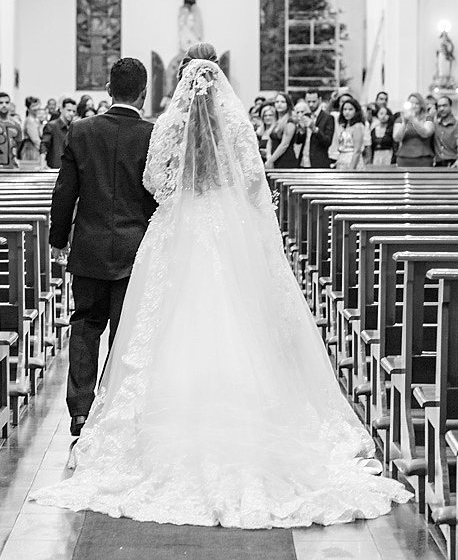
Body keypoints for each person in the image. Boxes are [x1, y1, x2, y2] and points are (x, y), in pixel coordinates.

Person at [32, 44, 412, 527]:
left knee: (133, 330)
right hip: (213, 232)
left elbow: (149, 181)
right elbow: (254, 179)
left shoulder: (146, 128)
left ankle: (89, 414)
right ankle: (239, 412)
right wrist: (228, 204)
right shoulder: (228, 125)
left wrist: (177, 202)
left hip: (160, 236)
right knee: (228, 321)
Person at [48, 56, 158, 439]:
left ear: (108, 90)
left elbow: (64, 193)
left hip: (90, 247)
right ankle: (116, 407)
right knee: (126, 330)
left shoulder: (80, 131)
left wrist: (58, 241)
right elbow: (158, 196)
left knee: (85, 324)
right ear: (143, 94)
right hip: (135, 249)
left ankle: (80, 411)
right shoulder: (152, 134)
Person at [393, 93, 435, 167]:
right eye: (411, 103)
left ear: (421, 105)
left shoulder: (427, 118)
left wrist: (412, 119)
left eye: (417, 103)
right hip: (404, 158)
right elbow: (397, 138)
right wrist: (404, 124)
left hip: (423, 158)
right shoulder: (400, 119)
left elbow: (426, 133)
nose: (414, 106)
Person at [330, 94, 368, 170]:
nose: (347, 112)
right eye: (345, 109)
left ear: (356, 111)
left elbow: (357, 150)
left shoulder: (357, 126)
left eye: (350, 109)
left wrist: (351, 169)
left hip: (352, 160)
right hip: (341, 158)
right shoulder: (345, 126)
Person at [303, 89, 336, 168]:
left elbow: (327, 141)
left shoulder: (328, 118)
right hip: (303, 161)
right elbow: (299, 141)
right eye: (308, 102)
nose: (311, 104)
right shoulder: (305, 116)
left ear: (320, 100)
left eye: (314, 102)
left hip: (319, 162)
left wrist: (314, 129)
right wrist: (300, 131)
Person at [266, 93, 299, 170]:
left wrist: (270, 161)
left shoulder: (290, 121)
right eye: (277, 102)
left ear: (288, 104)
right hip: (273, 158)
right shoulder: (276, 121)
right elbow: (270, 141)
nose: (279, 104)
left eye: (282, 102)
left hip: (285, 160)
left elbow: (284, 145)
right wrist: (268, 156)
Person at [431, 94, 458, 167]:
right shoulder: (435, 125)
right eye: (439, 106)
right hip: (437, 164)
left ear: (450, 107)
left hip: (453, 163)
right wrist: (430, 115)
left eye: (444, 106)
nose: (441, 109)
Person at [42, 98, 77, 170]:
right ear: (61, 109)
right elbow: (44, 145)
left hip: (68, 168)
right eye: (69, 110)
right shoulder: (51, 126)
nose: (71, 113)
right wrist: (42, 163)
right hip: (54, 166)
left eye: (74, 111)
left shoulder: (73, 127)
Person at [20, 96, 43, 164]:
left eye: (37, 105)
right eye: (33, 106)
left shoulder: (36, 119)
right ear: (28, 108)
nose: (36, 108)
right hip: (31, 150)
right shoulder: (30, 121)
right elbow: (35, 140)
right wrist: (43, 151)